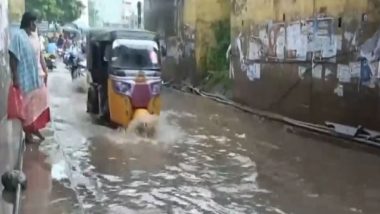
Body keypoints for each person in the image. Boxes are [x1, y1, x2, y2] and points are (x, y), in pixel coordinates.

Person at [8, 12, 50, 144]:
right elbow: (13, 57)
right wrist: (15, 78)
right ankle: (28, 133)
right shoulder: (18, 36)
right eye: (34, 22)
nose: (35, 25)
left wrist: (45, 69)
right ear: (28, 22)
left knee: (41, 100)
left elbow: (40, 54)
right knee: (26, 107)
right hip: (24, 76)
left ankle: (34, 128)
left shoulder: (34, 36)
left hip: (36, 76)